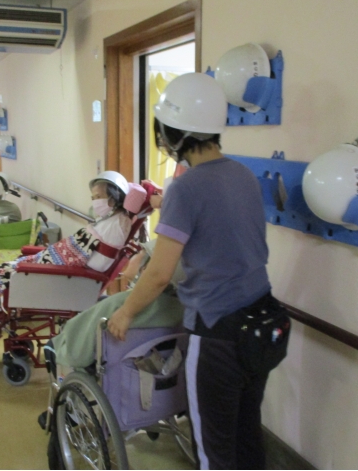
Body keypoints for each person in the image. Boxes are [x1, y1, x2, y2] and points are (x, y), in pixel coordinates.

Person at [107, 73, 285, 470]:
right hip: (263, 323)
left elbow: (159, 273)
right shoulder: (243, 175)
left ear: (174, 133)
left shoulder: (185, 189)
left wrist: (125, 312)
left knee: (214, 450)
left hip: (219, 332)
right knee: (246, 434)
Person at [0, 171, 133, 362]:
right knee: (1, 272)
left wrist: (37, 261)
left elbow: (86, 261)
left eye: (98, 196)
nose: (95, 202)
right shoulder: (112, 221)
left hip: (58, 277)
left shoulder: (114, 226)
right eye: (93, 197)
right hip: (58, 269)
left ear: (114, 196)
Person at [48, 239, 185, 371]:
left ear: (146, 268)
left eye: (139, 252)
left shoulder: (122, 304)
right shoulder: (179, 307)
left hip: (98, 362)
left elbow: (77, 353)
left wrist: (55, 346)